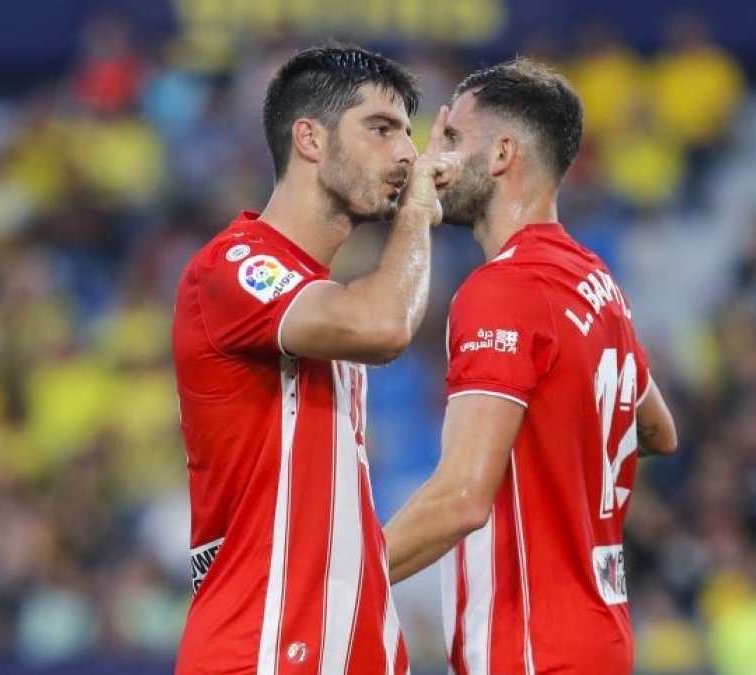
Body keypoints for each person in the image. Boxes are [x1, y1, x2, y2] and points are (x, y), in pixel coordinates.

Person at [383, 58, 678, 673]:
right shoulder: (596, 284)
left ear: (501, 156)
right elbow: (659, 431)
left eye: (454, 138)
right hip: (600, 637)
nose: (433, 155)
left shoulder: (504, 289)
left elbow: (462, 499)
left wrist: (333, 586)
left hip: (530, 648)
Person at [171, 45, 458, 674]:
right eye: (381, 130)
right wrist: (415, 217)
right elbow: (384, 325)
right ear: (309, 138)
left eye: (407, 134)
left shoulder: (318, 299)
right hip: (266, 645)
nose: (408, 154)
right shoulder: (234, 265)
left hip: (346, 645)